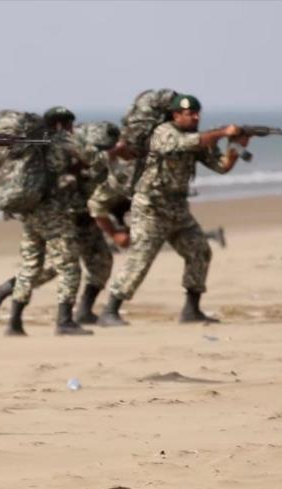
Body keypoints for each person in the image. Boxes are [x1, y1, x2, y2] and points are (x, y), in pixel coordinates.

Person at [98, 94, 247, 325]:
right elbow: (184, 144)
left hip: (177, 208)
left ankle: (191, 311)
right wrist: (222, 133)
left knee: (200, 251)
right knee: (140, 259)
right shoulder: (163, 132)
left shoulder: (197, 138)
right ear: (176, 115)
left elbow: (222, 166)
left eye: (198, 113)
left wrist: (236, 146)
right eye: (190, 114)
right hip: (151, 208)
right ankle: (110, 311)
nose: (196, 117)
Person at [0, 119, 125, 327]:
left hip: (83, 219)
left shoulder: (82, 154)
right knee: (55, 268)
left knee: (101, 263)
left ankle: (84, 311)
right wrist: (113, 230)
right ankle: (5, 292)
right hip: (63, 218)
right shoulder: (59, 157)